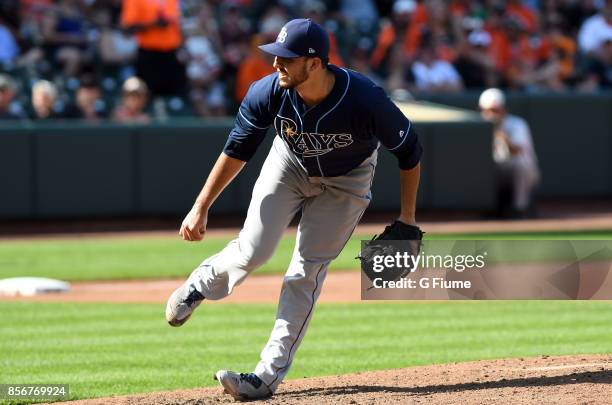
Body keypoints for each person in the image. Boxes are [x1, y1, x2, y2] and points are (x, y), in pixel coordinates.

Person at [165, 18, 422, 401]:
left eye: (286, 58)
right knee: (254, 250)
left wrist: (407, 219)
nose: (275, 64)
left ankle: (265, 377)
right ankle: (201, 283)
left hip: (347, 181)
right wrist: (200, 207)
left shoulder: (365, 99)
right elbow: (238, 148)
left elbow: (410, 152)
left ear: (315, 63)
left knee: (306, 271)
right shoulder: (268, 91)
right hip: (288, 164)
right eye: (276, 56)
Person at [479, 88, 540, 218]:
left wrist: (501, 135)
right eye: (487, 110)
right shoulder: (478, 126)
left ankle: (520, 208)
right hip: (495, 170)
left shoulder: (517, 124)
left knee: (520, 164)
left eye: (495, 110)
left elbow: (517, 151)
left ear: (503, 109)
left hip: (524, 171)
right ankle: (485, 207)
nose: (491, 114)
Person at [120, 0, 186, 96]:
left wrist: (183, 47)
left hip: (172, 53)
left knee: (176, 93)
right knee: (148, 93)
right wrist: (153, 24)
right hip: (149, 53)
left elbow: (178, 22)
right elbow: (128, 28)